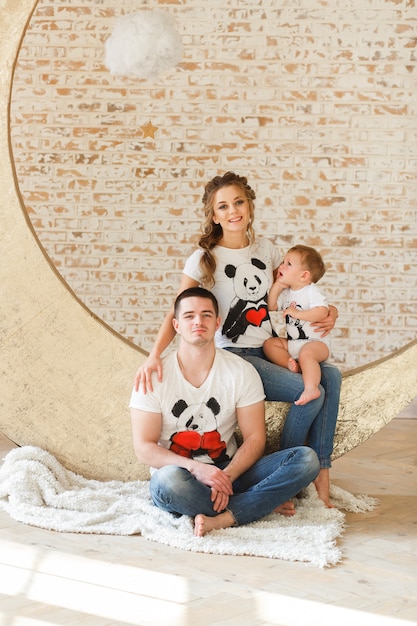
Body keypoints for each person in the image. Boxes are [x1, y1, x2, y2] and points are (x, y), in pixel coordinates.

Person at [134, 172, 341, 508]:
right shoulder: (204, 259)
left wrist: (329, 309)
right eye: (224, 206)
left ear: (249, 205)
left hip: (271, 347)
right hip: (238, 355)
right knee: (311, 393)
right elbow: (181, 309)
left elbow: (297, 286)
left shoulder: (267, 250)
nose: (233, 211)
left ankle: (321, 468)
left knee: (329, 375)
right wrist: (154, 354)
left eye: (239, 202)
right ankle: (291, 473)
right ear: (214, 216)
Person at [129, 287, 320, 536]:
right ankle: (258, 504)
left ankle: (223, 517)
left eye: (206, 314)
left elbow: (255, 438)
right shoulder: (153, 376)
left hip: (231, 471)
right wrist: (196, 468)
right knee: (168, 483)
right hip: (182, 476)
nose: (198, 321)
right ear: (176, 325)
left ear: (217, 322)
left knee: (306, 460)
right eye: (189, 316)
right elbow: (144, 447)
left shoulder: (241, 371)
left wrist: (226, 477)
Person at [263, 245, 331, 407]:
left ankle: (311, 388)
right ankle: (289, 363)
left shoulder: (312, 291)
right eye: (283, 262)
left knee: (307, 354)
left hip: (315, 344)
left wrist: (298, 314)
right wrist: (278, 286)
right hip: (294, 344)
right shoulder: (287, 293)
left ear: (304, 275)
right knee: (270, 344)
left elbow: (322, 312)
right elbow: (271, 306)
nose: (282, 266)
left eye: (288, 263)